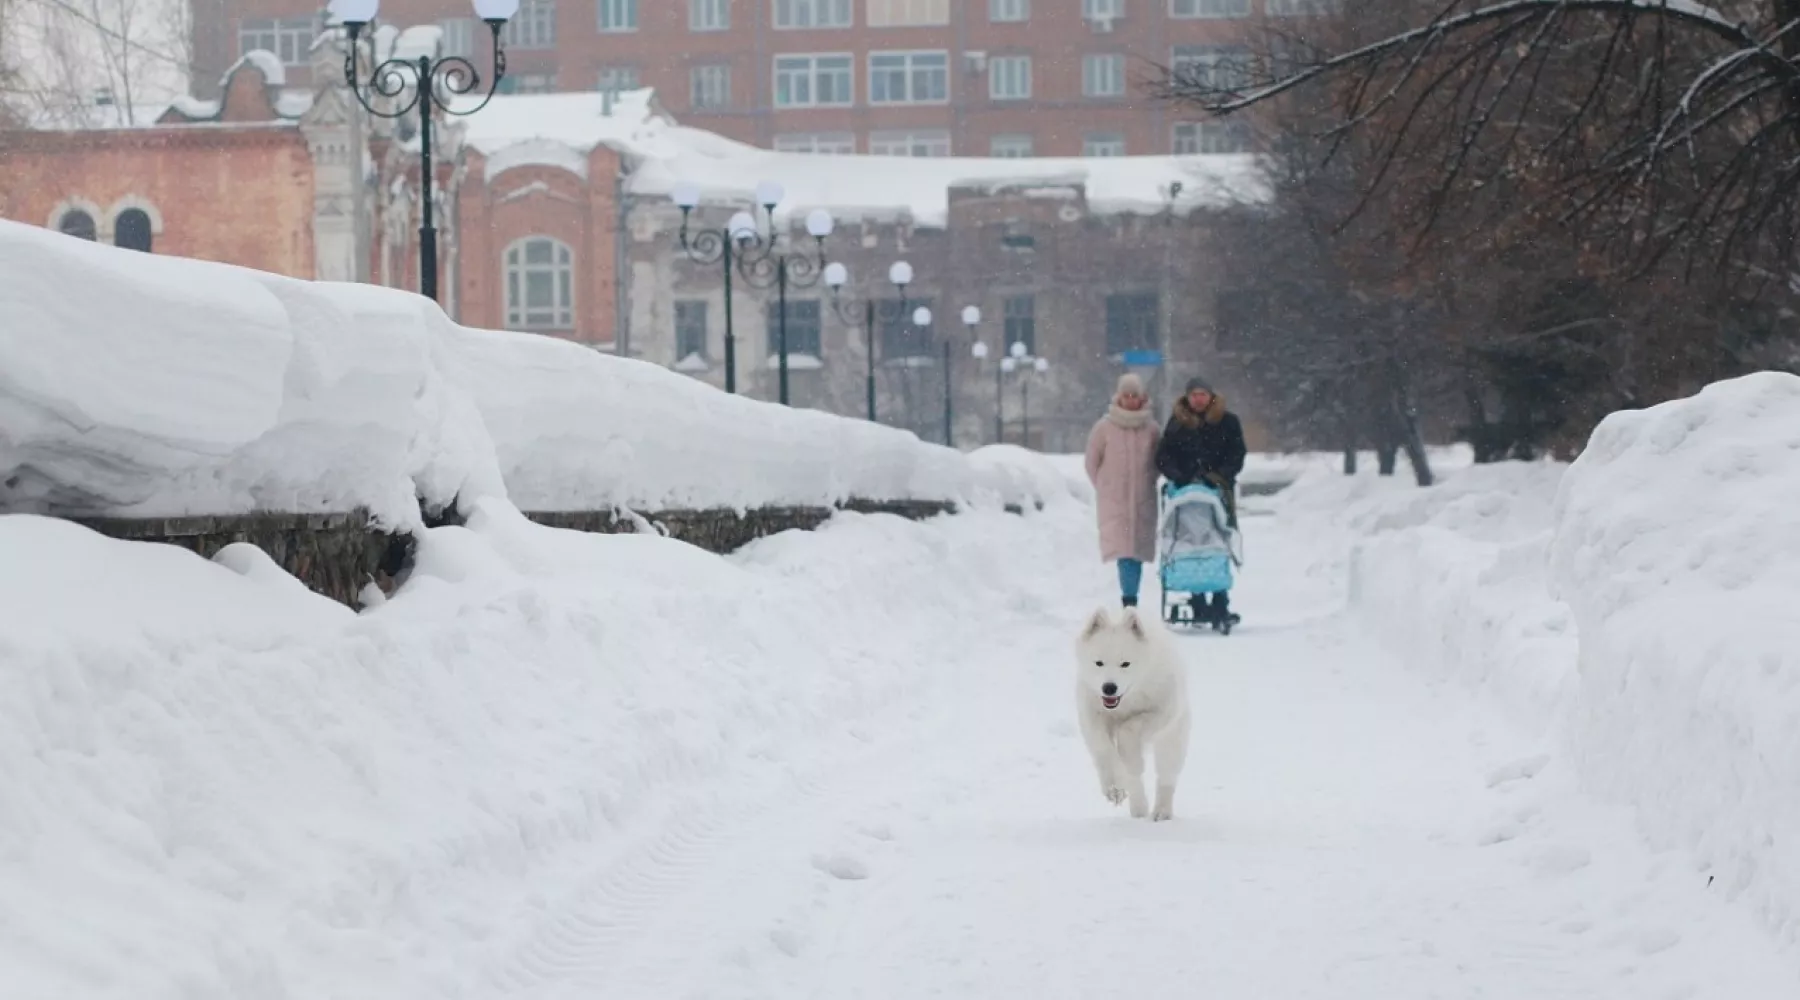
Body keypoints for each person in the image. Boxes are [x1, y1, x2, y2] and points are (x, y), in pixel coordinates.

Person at [1154, 376, 1247, 626]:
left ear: (1211, 396)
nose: (1198, 399)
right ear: (1187, 397)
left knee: (1218, 540)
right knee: (1189, 543)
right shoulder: (1177, 424)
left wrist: (1220, 476)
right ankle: (1197, 601)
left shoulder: (1228, 422)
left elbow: (1237, 454)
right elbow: (1163, 456)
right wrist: (1178, 476)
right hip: (1184, 493)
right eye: (1194, 395)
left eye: (1202, 394)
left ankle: (1219, 601)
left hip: (1217, 490)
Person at [1084, 373, 1161, 608]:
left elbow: (1158, 462)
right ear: (1119, 397)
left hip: (1142, 498)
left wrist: (1147, 481)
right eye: (1126, 395)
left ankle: (1131, 598)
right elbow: (1091, 462)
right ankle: (1129, 599)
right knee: (1124, 551)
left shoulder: (1152, 430)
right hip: (1114, 501)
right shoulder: (1104, 428)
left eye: (1134, 395)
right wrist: (1106, 486)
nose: (1130, 400)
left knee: (1136, 550)